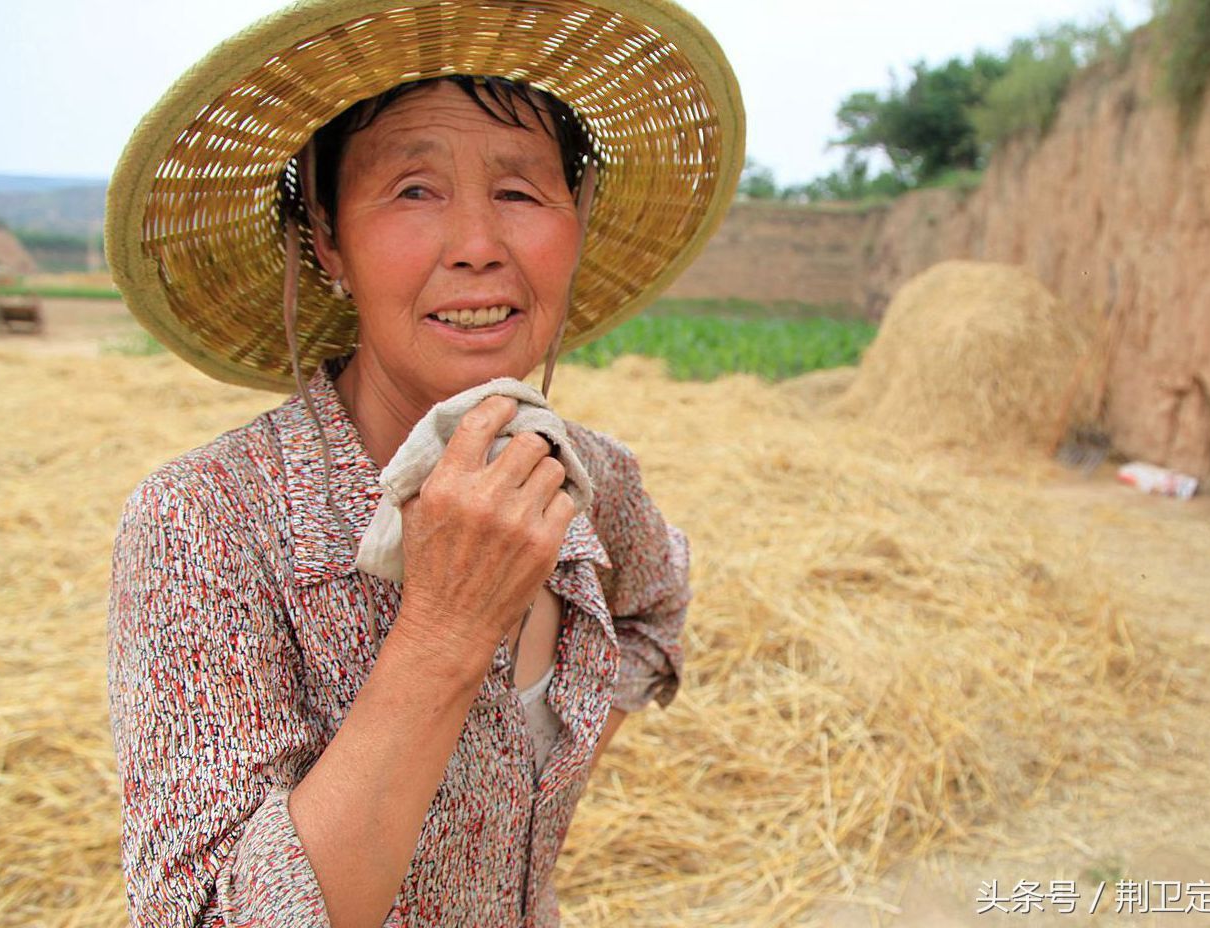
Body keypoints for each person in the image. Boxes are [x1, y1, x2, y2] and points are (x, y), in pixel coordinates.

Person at [102, 1, 744, 926]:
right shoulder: (205, 524)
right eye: (413, 190)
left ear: (576, 221)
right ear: (327, 241)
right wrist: (446, 627)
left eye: (522, 193)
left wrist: (519, 830)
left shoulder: (584, 476)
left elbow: (656, 608)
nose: (480, 246)